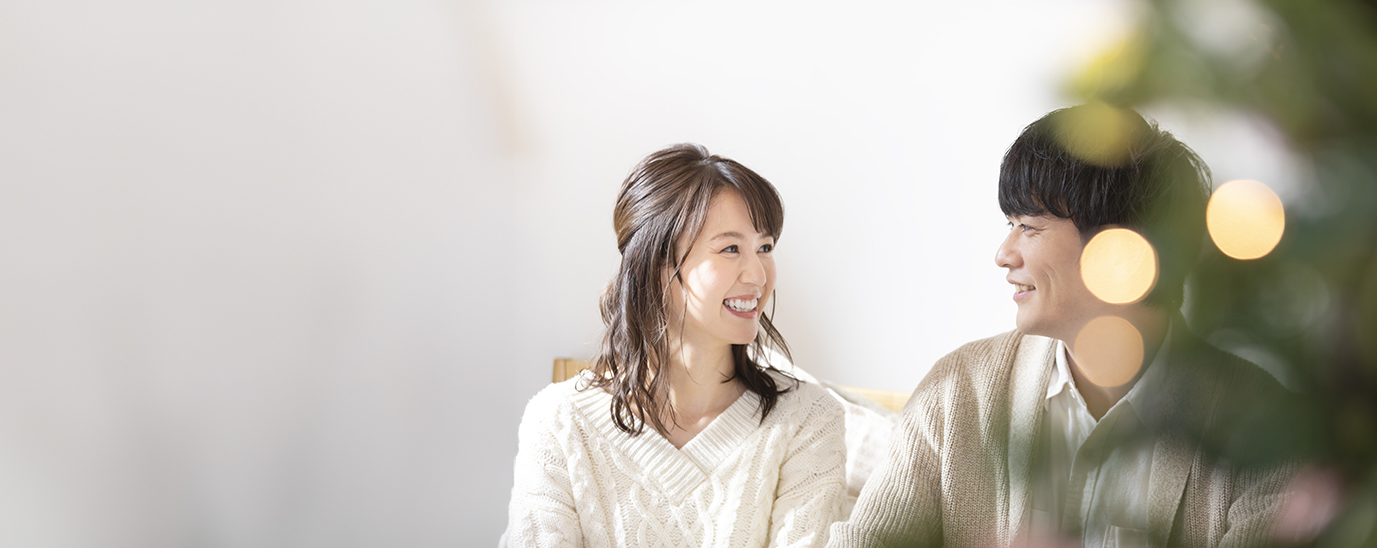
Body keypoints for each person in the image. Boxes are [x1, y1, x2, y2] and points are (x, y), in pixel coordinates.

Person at [830, 105, 1293, 548]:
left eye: (1029, 227)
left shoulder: (1261, 425)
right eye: (1010, 224)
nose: (1003, 254)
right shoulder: (955, 392)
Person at [501, 144, 847, 548]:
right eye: (730, 248)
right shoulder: (559, 422)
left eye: (765, 248)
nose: (758, 275)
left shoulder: (807, 420)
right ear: (656, 264)